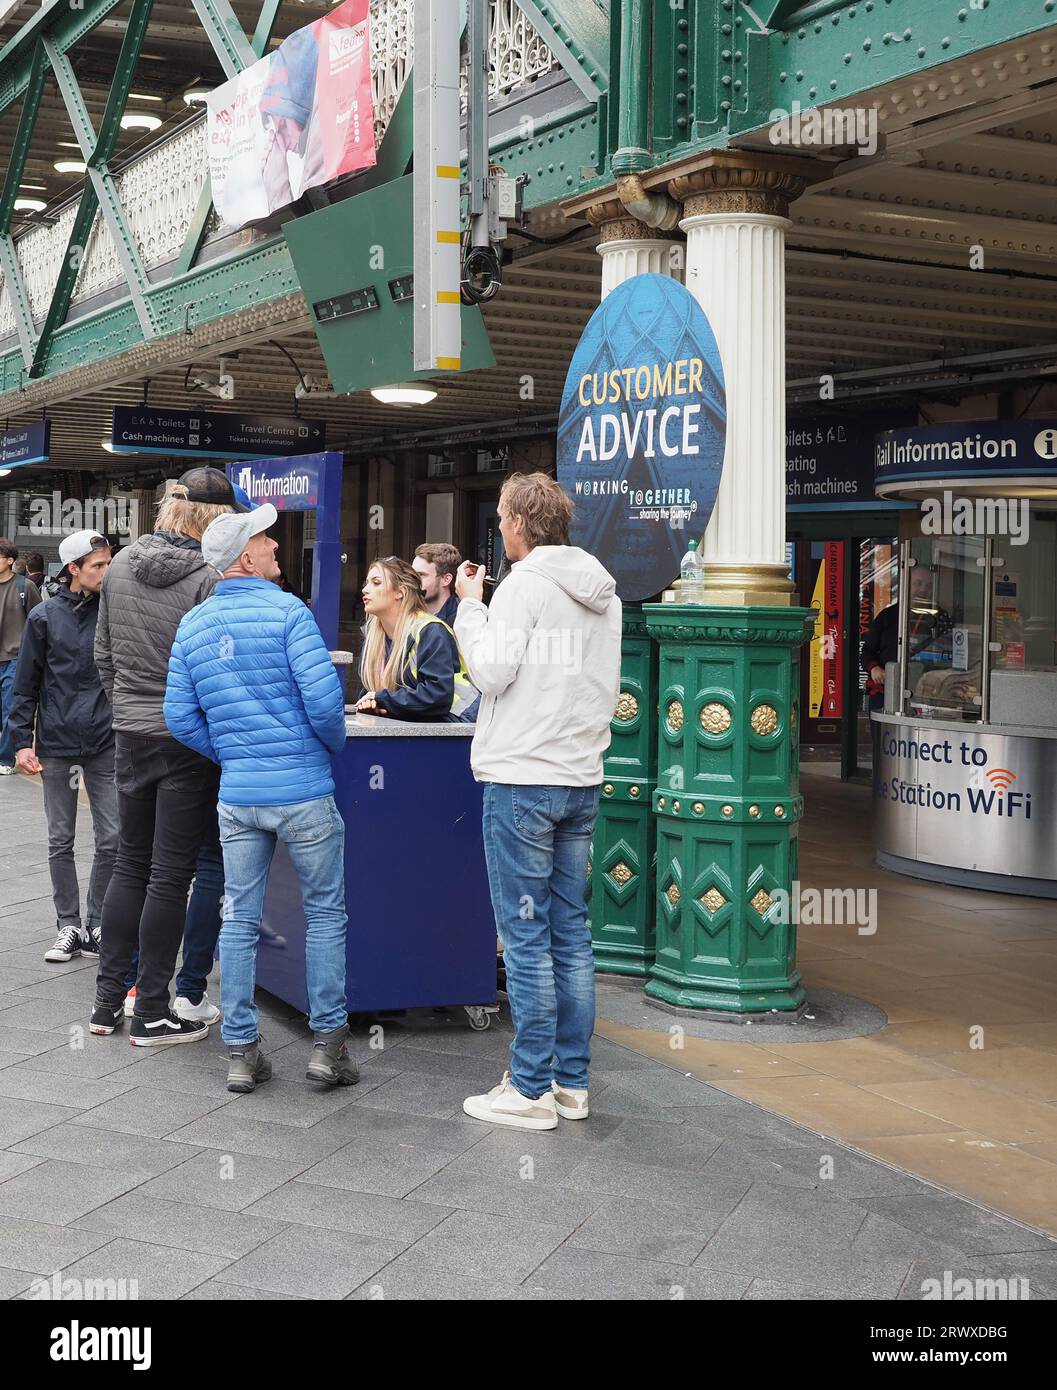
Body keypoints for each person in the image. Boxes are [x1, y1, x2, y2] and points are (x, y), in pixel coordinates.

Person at [164, 505, 355, 1094]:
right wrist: (326, 746)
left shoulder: (193, 627)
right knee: (324, 914)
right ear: (245, 557)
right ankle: (328, 1049)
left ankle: (242, 1053)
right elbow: (325, 707)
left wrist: (232, 751)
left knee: (239, 918)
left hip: (240, 795)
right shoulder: (289, 614)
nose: (275, 545)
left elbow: (178, 716)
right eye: (266, 539)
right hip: (303, 791)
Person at [453, 472, 621, 1131]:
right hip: (579, 778)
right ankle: (569, 1084)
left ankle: (527, 1091)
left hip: (522, 777)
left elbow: (492, 673)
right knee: (570, 934)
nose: (497, 526)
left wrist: (471, 605)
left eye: (500, 517)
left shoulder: (521, 584)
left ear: (522, 524)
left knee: (523, 938)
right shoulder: (603, 593)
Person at [89, 468, 240, 1044]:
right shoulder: (208, 576)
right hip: (184, 740)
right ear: (214, 518)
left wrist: (127, 705)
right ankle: (152, 1010)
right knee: (172, 876)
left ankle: (107, 1005)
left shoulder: (121, 564)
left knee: (130, 864)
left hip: (129, 733)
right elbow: (213, 672)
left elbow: (103, 654)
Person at [8, 532, 118, 964]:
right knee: (61, 838)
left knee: (112, 837)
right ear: (73, 568)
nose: (106, 573)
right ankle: (68, 925)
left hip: (106, 740)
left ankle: (97, 923)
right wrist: (21, 742)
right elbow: (25, 683)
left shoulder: (113, 612)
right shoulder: (43, 617)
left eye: (109, 563)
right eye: (98, 566)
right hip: (57, 741)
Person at [352, 556, 478, 722]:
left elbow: (437, 695)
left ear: (400, 592)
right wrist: (375, 704)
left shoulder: (431, 631)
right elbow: (371, 694)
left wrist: (384, 701)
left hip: (460, 726)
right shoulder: (372, 637)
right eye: (366, 583)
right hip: (422, 727)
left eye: (376, 583)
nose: (365, 590)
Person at [0, 538, 42, 775]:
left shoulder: (25, 587)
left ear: (10, 561)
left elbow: (37, 621)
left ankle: (5, 759)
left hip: (16, 657)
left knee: (9, 709)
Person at [413, 542, 462, 626]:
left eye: (421, 575)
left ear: (446, 579)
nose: (412, 580)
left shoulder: (462, 619)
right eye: (412, 574)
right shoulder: (407, 615)